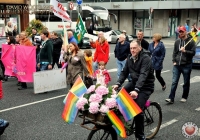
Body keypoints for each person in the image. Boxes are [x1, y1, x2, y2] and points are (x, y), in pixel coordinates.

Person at [112, 40, 155, 140]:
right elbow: (124, 72)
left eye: (134, 48)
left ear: (140, 48)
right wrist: (118, 84)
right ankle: (125, 121)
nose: (132, 50)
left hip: (146, 86)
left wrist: (136, 90)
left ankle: (140, 136)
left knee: (138, 111)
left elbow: (143, 75)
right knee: (119, 97)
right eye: (131, 48)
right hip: (134, 83)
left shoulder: (146, 58)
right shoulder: (129, 57)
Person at [165, 26, 196, 104]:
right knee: (174, 82)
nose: (181, 33)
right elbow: (174, 52)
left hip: (186, 65)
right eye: (180, 31)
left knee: (186, 82)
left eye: (182, 31)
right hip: (177, 65)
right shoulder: (177, 41)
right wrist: (174, 61)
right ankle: (171, 98)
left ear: (185, 32)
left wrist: (185, 51)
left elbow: (193, 53)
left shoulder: (191, 41)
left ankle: (184, 96)